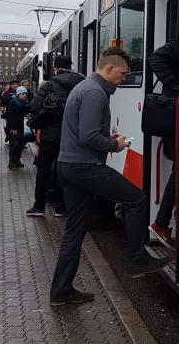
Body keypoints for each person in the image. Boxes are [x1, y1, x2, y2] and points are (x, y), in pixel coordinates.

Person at [50, 47, 169, 306]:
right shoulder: (94, 92)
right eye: (123, 74)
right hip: (85, 167)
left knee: (75, 231)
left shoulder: (86, 88)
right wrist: (115, 145)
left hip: (69, 165)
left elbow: (87, 133)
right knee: (136, 198)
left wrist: (108, 140)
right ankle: (137, 260)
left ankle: (61, 291)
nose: (124, 79)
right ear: (109, 69)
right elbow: (89, 137)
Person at [26, 55, 85, 217]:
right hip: (72, 135)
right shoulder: (81, 84)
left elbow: (34, 107)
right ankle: (62, 206)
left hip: (49, 136)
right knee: (64, 170)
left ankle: (39, 206)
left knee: (43, 170)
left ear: (55, 68)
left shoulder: (49, 85)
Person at [146, 38, 179, 249]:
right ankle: (162, 222)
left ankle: (163, 222)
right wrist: (176, 84)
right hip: (177, 111)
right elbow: (154, 58)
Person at [4, 86, 30, 168]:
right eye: (22, 94)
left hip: (21, 127)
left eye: (25, 94)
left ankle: (17, 160)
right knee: (14, 144)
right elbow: (9, 116)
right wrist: (13, 128)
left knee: (20, 144)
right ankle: (11, 161)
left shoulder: (25, 103)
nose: (24, 96)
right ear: (18, 94)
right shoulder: (12, 103)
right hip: (13, 127)